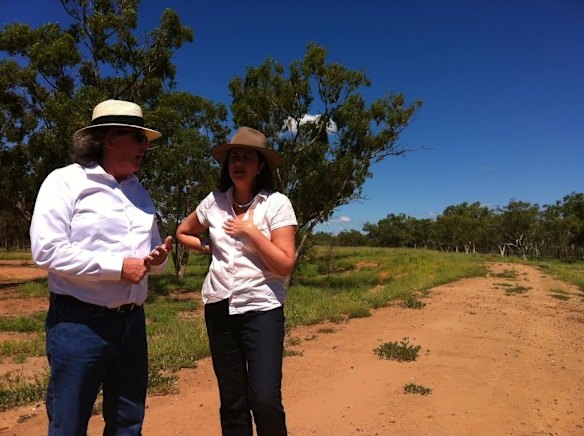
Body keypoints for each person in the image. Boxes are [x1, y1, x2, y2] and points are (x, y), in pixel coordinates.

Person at [30, 99, 173, 435]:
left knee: (127, 421)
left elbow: (149, 254)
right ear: (109, 140)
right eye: (139, 138)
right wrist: (118, 267)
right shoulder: (65, 182)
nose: (146, 146)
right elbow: (46, 250)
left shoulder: (140, 193)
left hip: (132, 323)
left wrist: (157, 260)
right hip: (80, 324)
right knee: (70, 422)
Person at [176, 126, 297, 436]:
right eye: (233, 157)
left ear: (260, 166)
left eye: (247, 157)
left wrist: (252, 232)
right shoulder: (214, 202)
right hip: (219, 306)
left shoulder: (276, 203)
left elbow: (284, 264)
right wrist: (207, 247)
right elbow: (182, 231)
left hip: (262, 308)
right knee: (232, 401)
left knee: (265, 399)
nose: (238, 163)